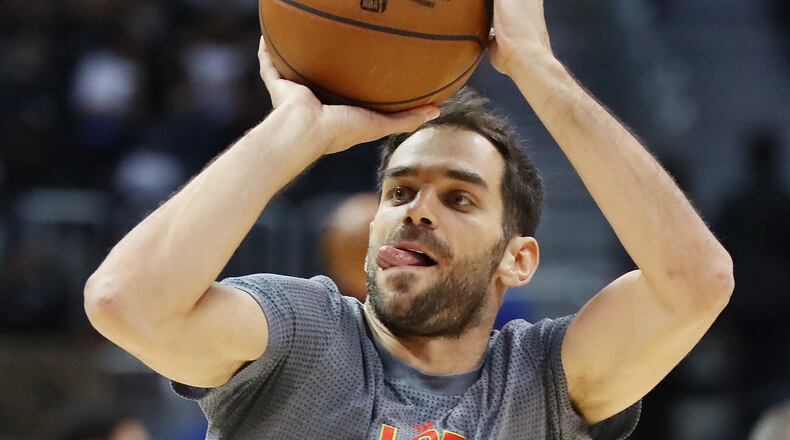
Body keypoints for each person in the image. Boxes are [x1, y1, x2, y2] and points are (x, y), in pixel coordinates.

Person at [84, 1, 734, 438]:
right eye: (399, 192)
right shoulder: (302, 333)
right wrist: (293, 131)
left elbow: (696, 281)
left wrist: (539, 68)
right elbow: (126, 301)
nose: (417, 208)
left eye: (460, 198)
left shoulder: (541, 379)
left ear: (520, 258)